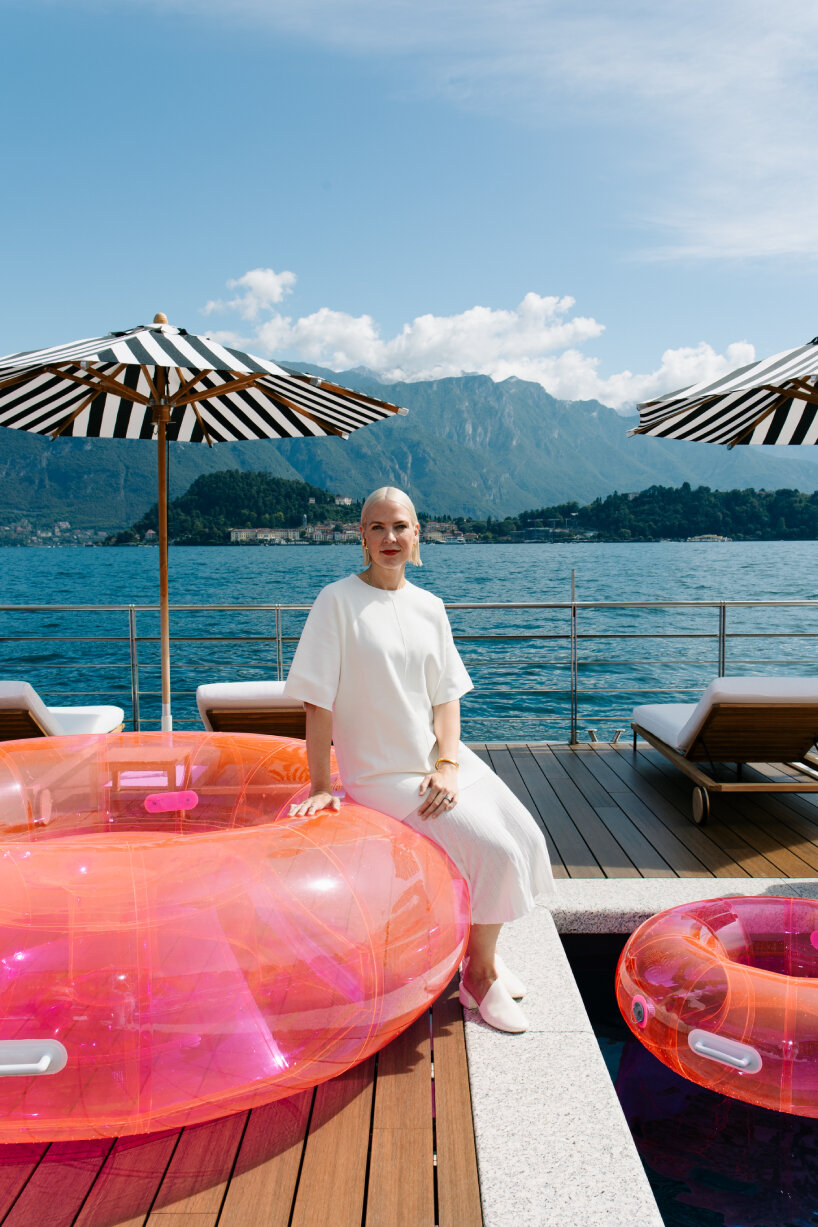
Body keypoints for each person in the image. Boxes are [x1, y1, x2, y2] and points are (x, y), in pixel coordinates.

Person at [283, 486, 555, 1032]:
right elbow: (317, 703)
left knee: (523, 833)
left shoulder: (430, 606)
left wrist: (449, 763)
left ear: (417, 534)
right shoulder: (336, 602)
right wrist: (320, 785)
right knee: (495, 848)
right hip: (385, 775)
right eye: (377, 527)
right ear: (360, 535)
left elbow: (445, 697)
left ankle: (485, 949)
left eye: (400, 526)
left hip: (439, 762)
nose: (389, 538)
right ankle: (477, 975)